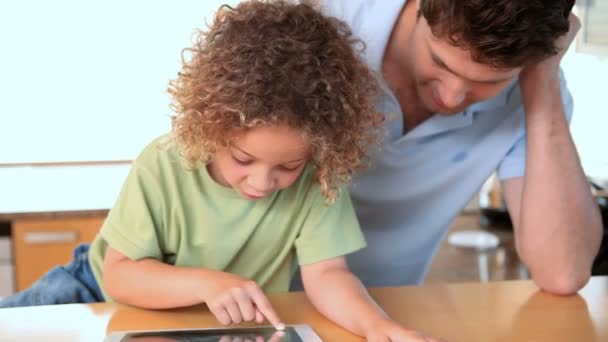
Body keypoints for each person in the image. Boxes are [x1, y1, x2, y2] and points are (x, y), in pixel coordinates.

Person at [0, 1, 443, 341]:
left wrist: (376, 326)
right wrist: (210, 284)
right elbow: (119, 276)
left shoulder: (319, 178)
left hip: (205, 321)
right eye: (243, 160)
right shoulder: (164, 162)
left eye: (289, 166)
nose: (262, 183)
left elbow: (328, 276)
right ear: (211, 126)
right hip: (94, 294)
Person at [303, 0, 603, 294]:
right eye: (438, 61)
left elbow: (563, 272)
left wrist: (542, 74)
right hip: (271, 305)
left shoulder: (532, 90)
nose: (450, 98)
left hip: (387, 315)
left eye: (491, 81)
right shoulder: (325, 20)